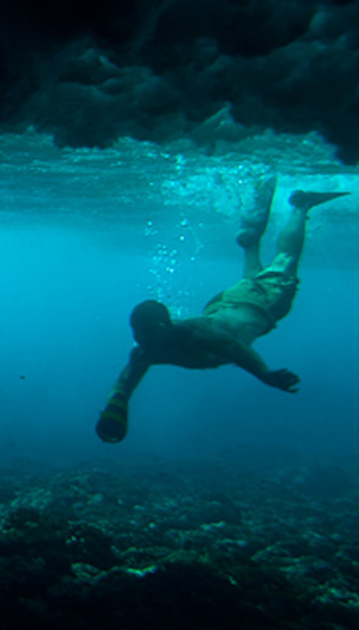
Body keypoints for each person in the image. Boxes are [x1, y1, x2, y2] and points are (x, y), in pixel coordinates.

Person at [97, 178, 345, 443]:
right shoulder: (146, 351)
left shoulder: (201, 334)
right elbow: (124, 383)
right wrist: (115, 408)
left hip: (261, 307)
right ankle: (250, 242)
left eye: (145, 332)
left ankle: (300, 205)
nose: (141, 339)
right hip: (229, 304)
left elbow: (237, 350)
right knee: (254, 280)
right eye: (138, 333)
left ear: (163, 327)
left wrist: (265, 375)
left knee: (285, 260)